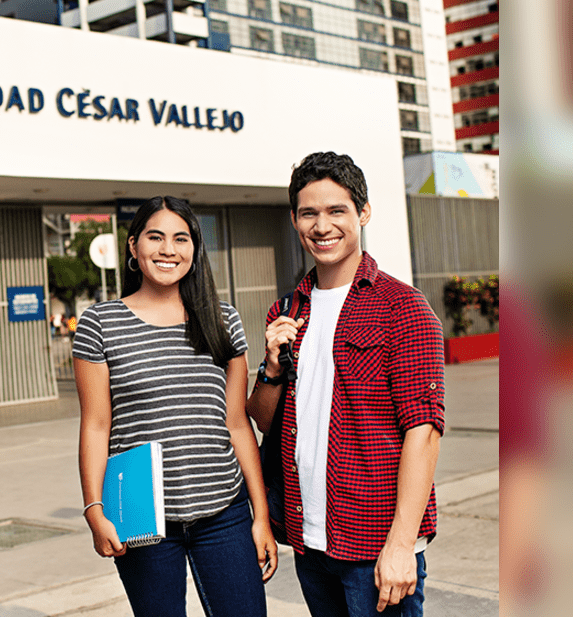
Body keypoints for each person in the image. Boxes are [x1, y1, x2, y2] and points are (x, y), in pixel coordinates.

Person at [246, 151, 444, 616]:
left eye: (336, 210)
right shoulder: (287, 311)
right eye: (308, 213)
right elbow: (264, 420)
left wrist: (401, 545)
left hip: (376, 545)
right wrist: (272, 367)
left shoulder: (403, 308)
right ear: (294, 220)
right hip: (310, 541)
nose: (322, 226)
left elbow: (424, 431)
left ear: (363, 212)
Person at [73, 196, 276, 617]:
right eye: (155, 237)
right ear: (133, 246)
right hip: (142, 519)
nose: (168, 249)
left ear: (194, 249)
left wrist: (261, 515)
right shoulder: (100, 324)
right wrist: (94, 509)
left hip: (225, 514)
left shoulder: (223, 320)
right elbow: (95, 426)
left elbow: (238, 424)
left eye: (181, 239)